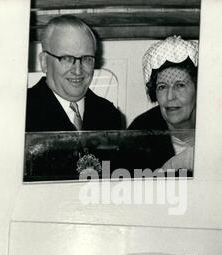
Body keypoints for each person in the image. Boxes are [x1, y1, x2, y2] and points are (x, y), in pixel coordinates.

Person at [26, 15, 122, 132]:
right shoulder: (22, 112)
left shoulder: (109, 115)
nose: (77, 70)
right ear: (44, 62)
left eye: (86, 58)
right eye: (66, 58)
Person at [128, 36, 197, 174]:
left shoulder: (221, 130)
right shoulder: (140, 131)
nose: (170, 97)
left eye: (180, 85)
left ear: (198, 88)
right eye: (162, 87)